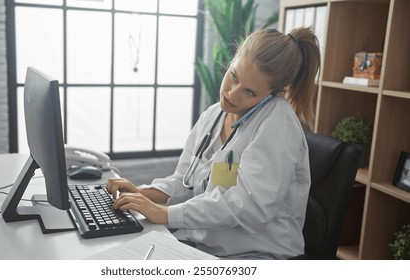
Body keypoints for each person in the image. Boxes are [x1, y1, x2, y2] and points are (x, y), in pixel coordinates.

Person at [107, 27, 321, 259]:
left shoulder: (278, 123)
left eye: (249, 92)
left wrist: (165, 214)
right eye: (233, 76)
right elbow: (185, 182)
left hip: (256, 254)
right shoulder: (213, 115)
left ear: (271, 94)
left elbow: (249, 206)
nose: (232, 94)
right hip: (205, 246)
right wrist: (144, 193)